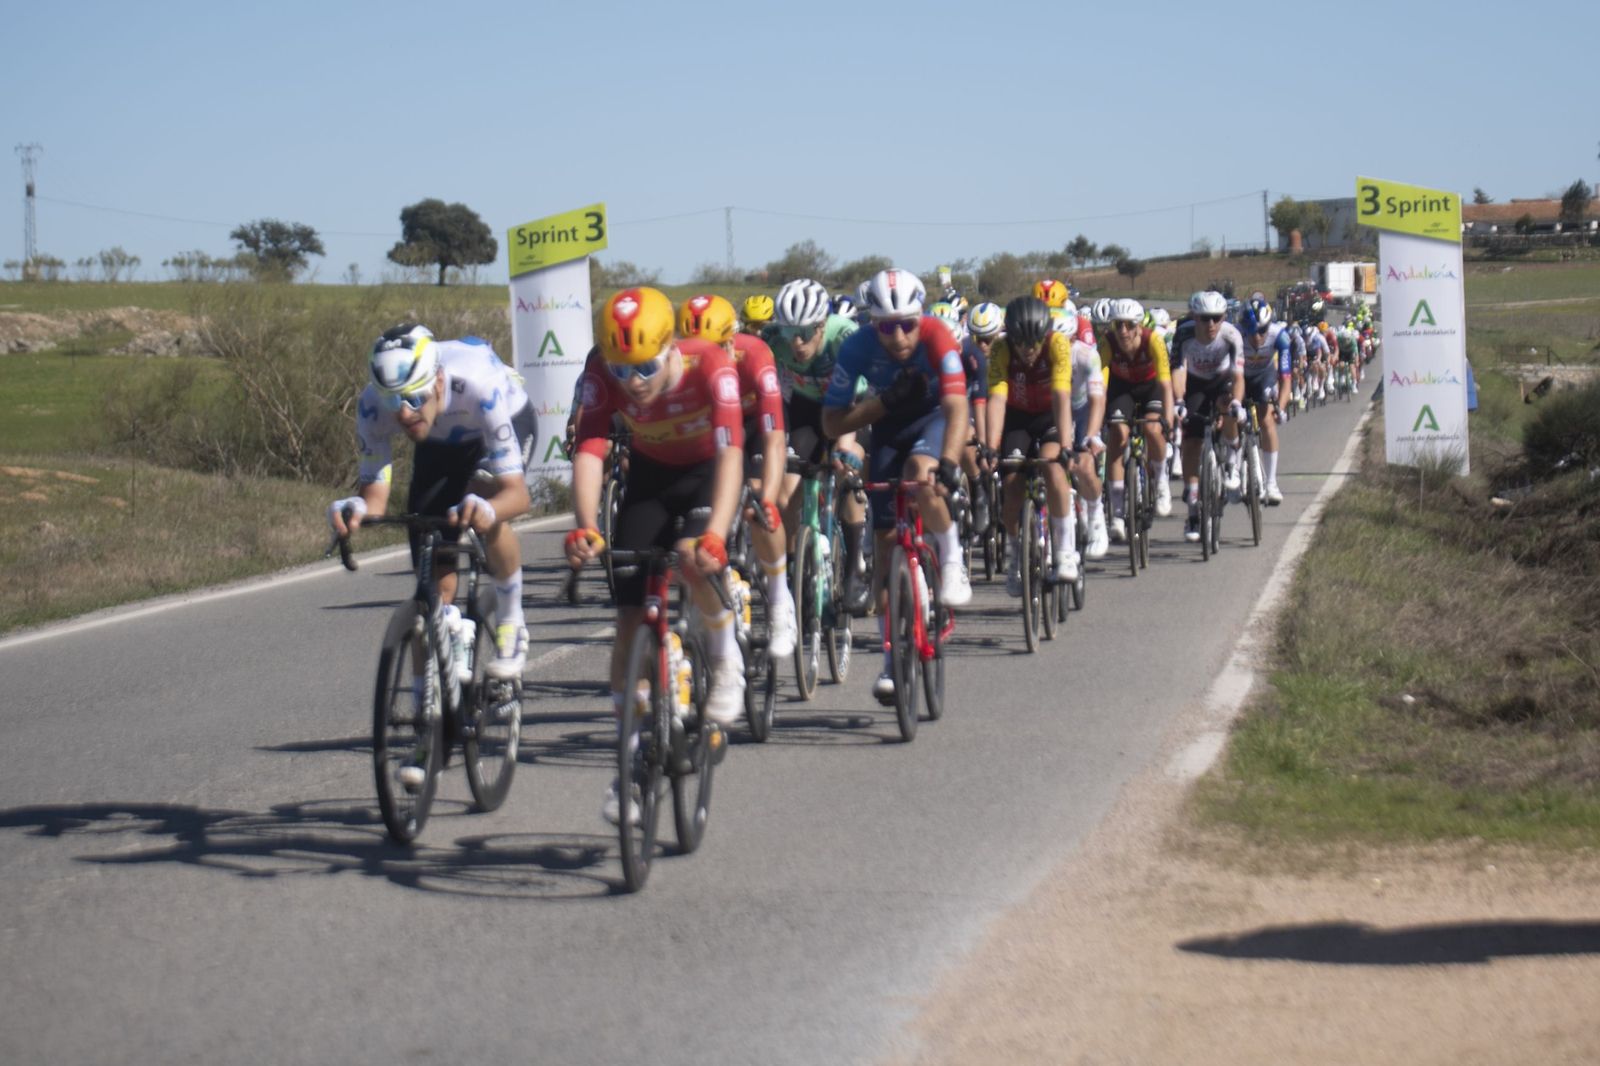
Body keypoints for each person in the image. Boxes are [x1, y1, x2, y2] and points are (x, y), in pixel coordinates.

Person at [563, 287, 747, 825]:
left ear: (670, 349)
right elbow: (591, 447)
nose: (634, 382)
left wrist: (716, 531)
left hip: (705, 475)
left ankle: (722, 657)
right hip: (648, 479)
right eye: (622, 371)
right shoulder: (603, 370)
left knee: (692, 559)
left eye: (645, 366)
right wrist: (587, 526)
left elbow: (732, 450)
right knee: (627, 620)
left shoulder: (710, 365)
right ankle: (629, 760)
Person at [329, 324, 534, 680]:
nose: (404, 413)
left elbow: (516, 495)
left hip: (502, 421)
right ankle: (429, 703)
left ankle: (511, 619)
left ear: (438, 382)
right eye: (393, 400)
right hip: (440, 440)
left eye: (413, 398)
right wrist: (357, 510)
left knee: (482, 503)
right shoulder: (372, 405)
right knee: (432, 564)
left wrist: (487, 510)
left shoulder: (479, 387)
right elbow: (375, 493)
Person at [820, 268, 972, 705]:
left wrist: (948, 462)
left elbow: (957, 405)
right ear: (873, 324)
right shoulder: (856, 348)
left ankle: (953, 556)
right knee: (886, 547)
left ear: (919, 317)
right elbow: (832, 422)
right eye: (887, 326)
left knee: (921, 474)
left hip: (935, 419)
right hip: (888, 423)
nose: (899, 336)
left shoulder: (937, 335)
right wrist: (882, 402)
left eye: (907, 323)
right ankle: (890, 661)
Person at [677, 294, 796, 658]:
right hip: (713, 428)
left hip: (755, 422)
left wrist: (769, 499)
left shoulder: (755, 355)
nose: (704, 359)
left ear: (731, 342)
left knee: (758, 501)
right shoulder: (679, 366)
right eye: (694, 350)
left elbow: (774, 436)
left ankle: (779, 599)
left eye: (713, 349)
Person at [763, 278, 872, 613]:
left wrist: (843, 447)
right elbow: (775, 400)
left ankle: (855, 567)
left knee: (846, 471)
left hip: (852, 405)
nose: (796, 342)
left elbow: (855, 396)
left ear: (822, 325)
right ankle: (798, 566)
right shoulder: (773, 342)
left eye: (805, 332)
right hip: (807, 409)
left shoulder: (844, 337)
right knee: (785, 493)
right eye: (787, 332)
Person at [986, 296, 1079, 592]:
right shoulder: (1000, 349)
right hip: (1017, 419)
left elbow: (1062, 397)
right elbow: (997, 400)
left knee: (1053, 470)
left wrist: (1066, 446)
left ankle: (1065, 552)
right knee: (1011, 482)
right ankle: (1015, 555)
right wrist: (990, 446)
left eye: (1034, 342)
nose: (1029, 350)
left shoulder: (1057, 344)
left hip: (1050, 416)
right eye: (1021, 343)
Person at [1169, 291, 1245, 541]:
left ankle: (1232, 459)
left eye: (1216, 318)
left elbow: (1238, 376)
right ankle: (1192, 512)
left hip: (1222, 382)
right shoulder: (1183, 334)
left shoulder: (1231, 335)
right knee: (1191, 443)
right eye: (1204, 319)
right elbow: (1178, 372)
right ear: (1194, 317)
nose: (1210, 324)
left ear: (1224, 317)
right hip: (1195, 385)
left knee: (1229, 409)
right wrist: (1179, 401)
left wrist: (1236, 401)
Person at [1099, 298, 1175, 538]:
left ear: (1138, 325)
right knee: (1118, 434)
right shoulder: (1108, 343)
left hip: (1150, 386)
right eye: (1118, 325)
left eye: (1129, 325)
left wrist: (1169, 420)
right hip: (1122, 389)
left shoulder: (1153, 340)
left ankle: (1161, 482)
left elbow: (1165, 383)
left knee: (1153, 429)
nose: (1123, 331)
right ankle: (1118, 512)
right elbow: (1098, 384)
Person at [1236, 299, 1292, 504]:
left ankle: (1271, 483)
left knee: (1267, 420)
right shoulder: (1234, 334)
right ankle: (1231, 469)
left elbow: (1286, 378)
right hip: (1238, 376)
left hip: (1263, 377)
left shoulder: (1280, 336)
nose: (1257, 337)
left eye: (1262, 331)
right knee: (1229, 417)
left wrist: (1282, 407)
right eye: (1251, 332)